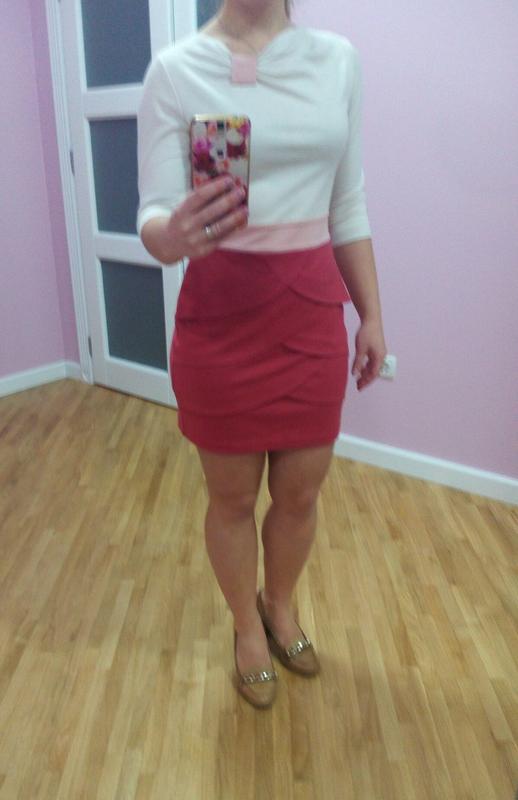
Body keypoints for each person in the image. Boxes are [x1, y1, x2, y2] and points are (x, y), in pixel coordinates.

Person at [136, 0, 387, 709]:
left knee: (301, 493)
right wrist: (168, 236)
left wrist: (372, 314)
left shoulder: (336, 60)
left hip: (309, 313)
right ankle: (246, 627)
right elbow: (154, 210)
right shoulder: (176, 70)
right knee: (232, 498)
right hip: (221, 318)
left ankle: (280, 604)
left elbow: (348, 204)